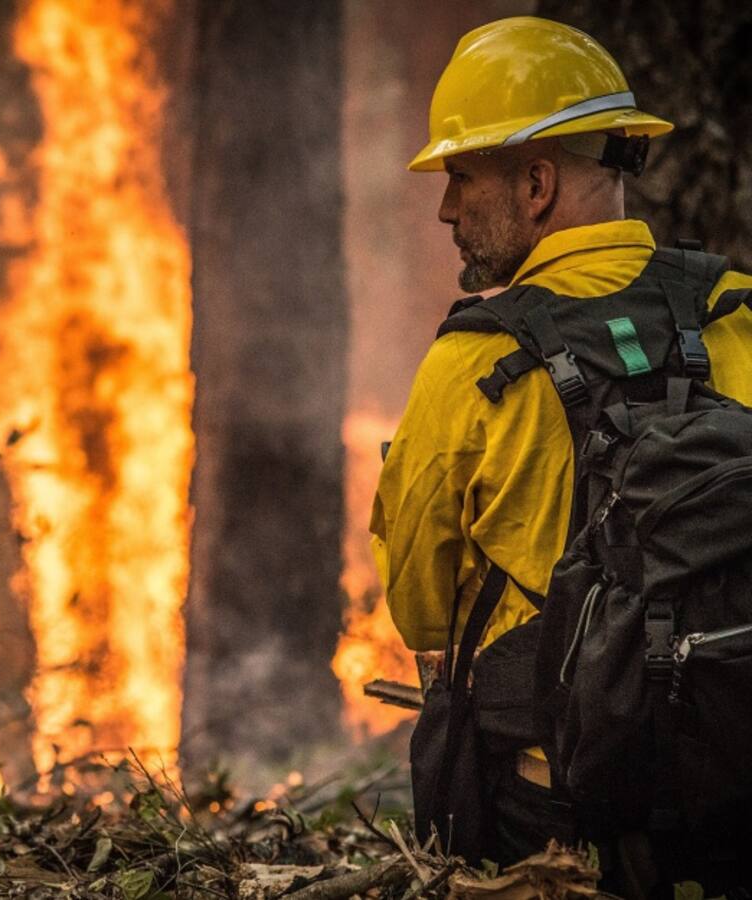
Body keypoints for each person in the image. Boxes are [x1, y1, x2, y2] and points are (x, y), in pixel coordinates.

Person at [369, 15, 752, 892]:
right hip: (734, 783)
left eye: (463, 176)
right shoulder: (735, 313)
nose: (446, 207)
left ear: (536, 182)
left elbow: (422, 615)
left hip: (554, 819)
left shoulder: (472, 363)